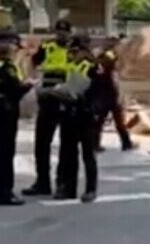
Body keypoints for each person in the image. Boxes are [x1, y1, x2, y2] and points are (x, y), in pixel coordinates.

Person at [0, 32, 32, 206]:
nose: (18, 51)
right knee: (5, 151)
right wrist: (29, 85)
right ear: (10, 47)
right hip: (4, 109)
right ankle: (4, 192)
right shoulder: (5, 65)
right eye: (17, 47)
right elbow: (14, 90)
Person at [22, 19, 72, 197]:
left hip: (67, 97)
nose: (61, 36)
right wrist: (34, 81)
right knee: (42, 142)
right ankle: (42, 182)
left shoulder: (74, 49)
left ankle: (62, 183)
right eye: (59, 32)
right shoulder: (47, 46)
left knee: (67, 144)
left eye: (64, 33)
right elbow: (33, 62)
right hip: (48, 96)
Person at [53, 35, 101, 203]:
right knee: (67, 153)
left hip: (85, 114)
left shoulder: (93, 67)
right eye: (70, 51)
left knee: (88, 154)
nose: (71, 54)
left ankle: (90, 189)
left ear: (84, 51)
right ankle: (67, 187)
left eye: (75, 51)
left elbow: (97, 92)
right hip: (68, 113)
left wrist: (86, 102)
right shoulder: (70, 66)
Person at [94, 36, 135, 152]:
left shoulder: (99, 55)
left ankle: (95, 144)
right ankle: (126, 143)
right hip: (109, 93)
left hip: (103, 93)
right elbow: (114, 62)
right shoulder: (109, 54)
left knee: (100, 121)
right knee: (117, 121)